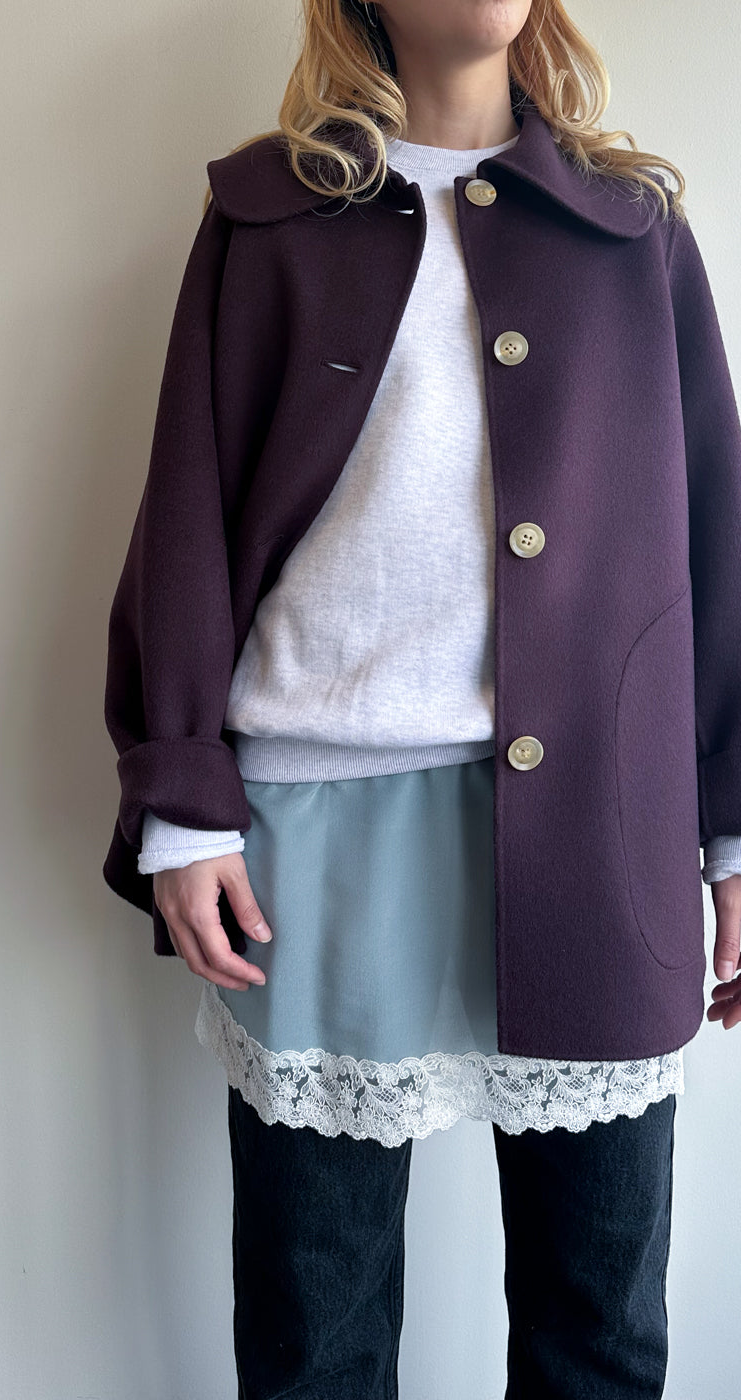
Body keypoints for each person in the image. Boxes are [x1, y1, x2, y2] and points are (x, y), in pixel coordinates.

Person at [102, 2, 741, 1395]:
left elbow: (714, 535)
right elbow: (188, 512)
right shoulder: (267, 221)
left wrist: (734, 827)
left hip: (599, 827)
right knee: (314, 1332)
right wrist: (184, 801)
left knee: (600, 1328)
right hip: (316, 827)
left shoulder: (633, 231)